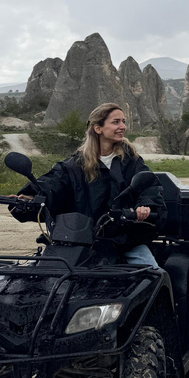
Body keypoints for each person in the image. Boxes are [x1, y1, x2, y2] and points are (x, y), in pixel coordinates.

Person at [12, 103, 164, 267]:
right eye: (116, 122)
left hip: (123, 239)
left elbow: (148, 186)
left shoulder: (130, 160)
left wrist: (146, 205)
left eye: (123, 121)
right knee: (46, 278)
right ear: (98, 128)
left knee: (152, 274)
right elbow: (51, 184)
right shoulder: (73, 165)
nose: (123, 127)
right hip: (80, 241)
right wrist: (29, 198)